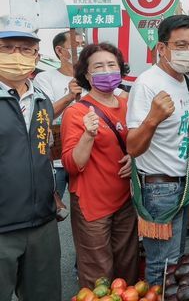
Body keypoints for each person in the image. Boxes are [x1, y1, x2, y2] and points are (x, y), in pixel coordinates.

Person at [126, 15, 189, 285]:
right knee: (162, 265)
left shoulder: (184, 81)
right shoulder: (147, 83)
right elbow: (132, 146)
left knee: (177, 260)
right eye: (181, 45)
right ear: (161, 48)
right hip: (159, 189)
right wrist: (153, 118)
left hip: (181, 186)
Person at [60, 43, 138, 288]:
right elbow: (73, 165)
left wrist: (134, 158)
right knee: (99, 275)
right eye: (99, 66)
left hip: (125, 200)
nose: (107, 71)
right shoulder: (76, 113)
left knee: (128, 268)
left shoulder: (129, 105)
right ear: (87, 74)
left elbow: (139, 143)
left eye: (111, 65)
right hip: (92, 205)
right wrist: (88, 135)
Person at [0, 17, 60, 301]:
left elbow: (44, 151)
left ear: (36, 55)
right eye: (7, 47)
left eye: (25, 49)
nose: (16, 56)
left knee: (44, 295)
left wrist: (51, 193)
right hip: (2, 228)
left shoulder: (42, 100)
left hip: (41, 224)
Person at [34, 31, 85, 200]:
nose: (81, 49)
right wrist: (70, 96)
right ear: (60, 51)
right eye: (76, 45)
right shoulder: (44, 78)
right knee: (51, 207)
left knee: (86, 212)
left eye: (83, 44)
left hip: (84, 155)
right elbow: (44, 114)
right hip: (55, 157)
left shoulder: (92, 79)